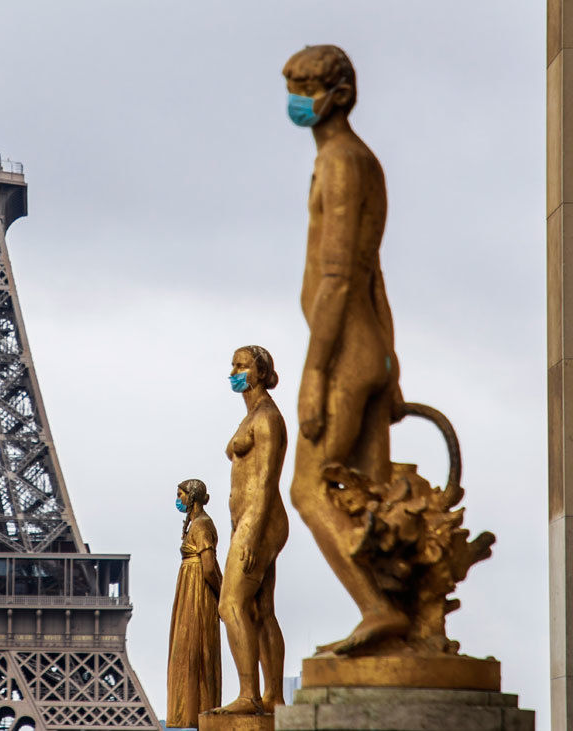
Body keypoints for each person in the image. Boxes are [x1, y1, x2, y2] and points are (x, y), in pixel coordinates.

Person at [283, 44, 408, 655]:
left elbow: (338, 276)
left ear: (336, 94)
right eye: (292, 85)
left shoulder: (339, 162)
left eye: (304, 85)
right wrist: (391, 362)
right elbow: (373, 271)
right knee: (369, 500)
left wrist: (313, 372)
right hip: (368, 350)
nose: (294, 98)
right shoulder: (362, 160)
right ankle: (400, 628)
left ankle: (378, 610)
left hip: (342, 354)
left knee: (307, 490)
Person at [215, 346, 288, 715]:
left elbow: (266, 481)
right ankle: (273, 697)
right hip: (250, 520)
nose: (234, 370)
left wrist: (253, 534)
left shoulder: (267, 419)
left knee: (230, 604)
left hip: (258, 521)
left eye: (242, 365)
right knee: (261, 609)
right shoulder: (253, 416)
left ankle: (248, 695)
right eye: (233, 364)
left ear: (260, 372)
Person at [166, 478, 222, 729]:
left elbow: (209, 568)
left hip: (197, 589)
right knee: (192, 649)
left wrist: (223, 596)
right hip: (191, 587)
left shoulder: (201, 525)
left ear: (192, 496)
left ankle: (199, 709)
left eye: (180, 494)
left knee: (195, 648)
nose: (178, 499)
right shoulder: (195, 525)